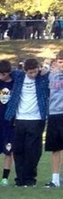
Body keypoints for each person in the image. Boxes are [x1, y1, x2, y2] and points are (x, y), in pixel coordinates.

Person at [5, 58, 50, 187]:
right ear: (24, 71)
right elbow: (3, 72)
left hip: (36, 119)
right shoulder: (18, 76)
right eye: (30, 72)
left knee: (33, 151)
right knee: (18, 149)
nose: (33, 75)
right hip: (19, 118)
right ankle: (20, 178)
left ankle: (30, 178)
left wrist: (45, 69)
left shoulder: (43, 77)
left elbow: (52, 72)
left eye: (35, 71)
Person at [45, 52, 63, 188]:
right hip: (54, 114)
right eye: (60, 62)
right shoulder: (51, 75)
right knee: (56, 148)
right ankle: (55, 179)